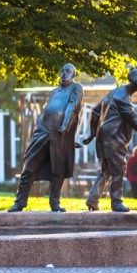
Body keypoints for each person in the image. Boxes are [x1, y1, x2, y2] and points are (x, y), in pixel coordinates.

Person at [8, 63, 83, 213]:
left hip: (60, 133)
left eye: (67, 71)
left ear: (73, 75)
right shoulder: (54, 91)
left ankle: (54, 203)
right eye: (62, 71)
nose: (63, 74)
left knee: (58, 169)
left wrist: (65, 126)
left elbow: (72, 106)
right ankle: (19, 202)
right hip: (42, 131)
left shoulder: (76, 88)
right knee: (29, 164)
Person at [82, 69, 137, 212]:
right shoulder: (122, 97)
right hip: (113, 138)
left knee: (107, 170)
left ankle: (93, 198)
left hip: (103, 136)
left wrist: (93, 134)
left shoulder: (114, 93)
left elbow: (94, 112)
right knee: (118, 169)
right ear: (131, 78)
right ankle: (116, 202)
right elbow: (134, 120)